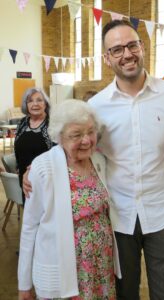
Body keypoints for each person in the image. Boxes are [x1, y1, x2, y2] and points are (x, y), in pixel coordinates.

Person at [88, 20, 164, 300]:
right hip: (119, 216)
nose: (127, 54)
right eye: (116, 49)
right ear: (107, 59)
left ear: (142, 48)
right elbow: (79, 150)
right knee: (125, 292)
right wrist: (39, 170)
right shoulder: (97, 106)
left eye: (132, 45)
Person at [18, 100, 120, 300]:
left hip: (100, 269)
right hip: (64, 270)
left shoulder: (99, 160)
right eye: (76, 135)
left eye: (90, 132)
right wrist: (24, 284)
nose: (87, 140)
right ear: (59, 137)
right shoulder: (43, 167)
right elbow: (30, 226)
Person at [14, 87, 53, 205]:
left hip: (46, 180)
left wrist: (33, 168)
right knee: (30, 219)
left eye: (39, 100)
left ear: (45, 104)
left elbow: (57, 154)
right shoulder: (22, 122)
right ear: (26, 105)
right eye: (30, 101)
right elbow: (18, 148)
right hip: (25, 181)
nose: (35, 104)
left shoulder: (53, 124)